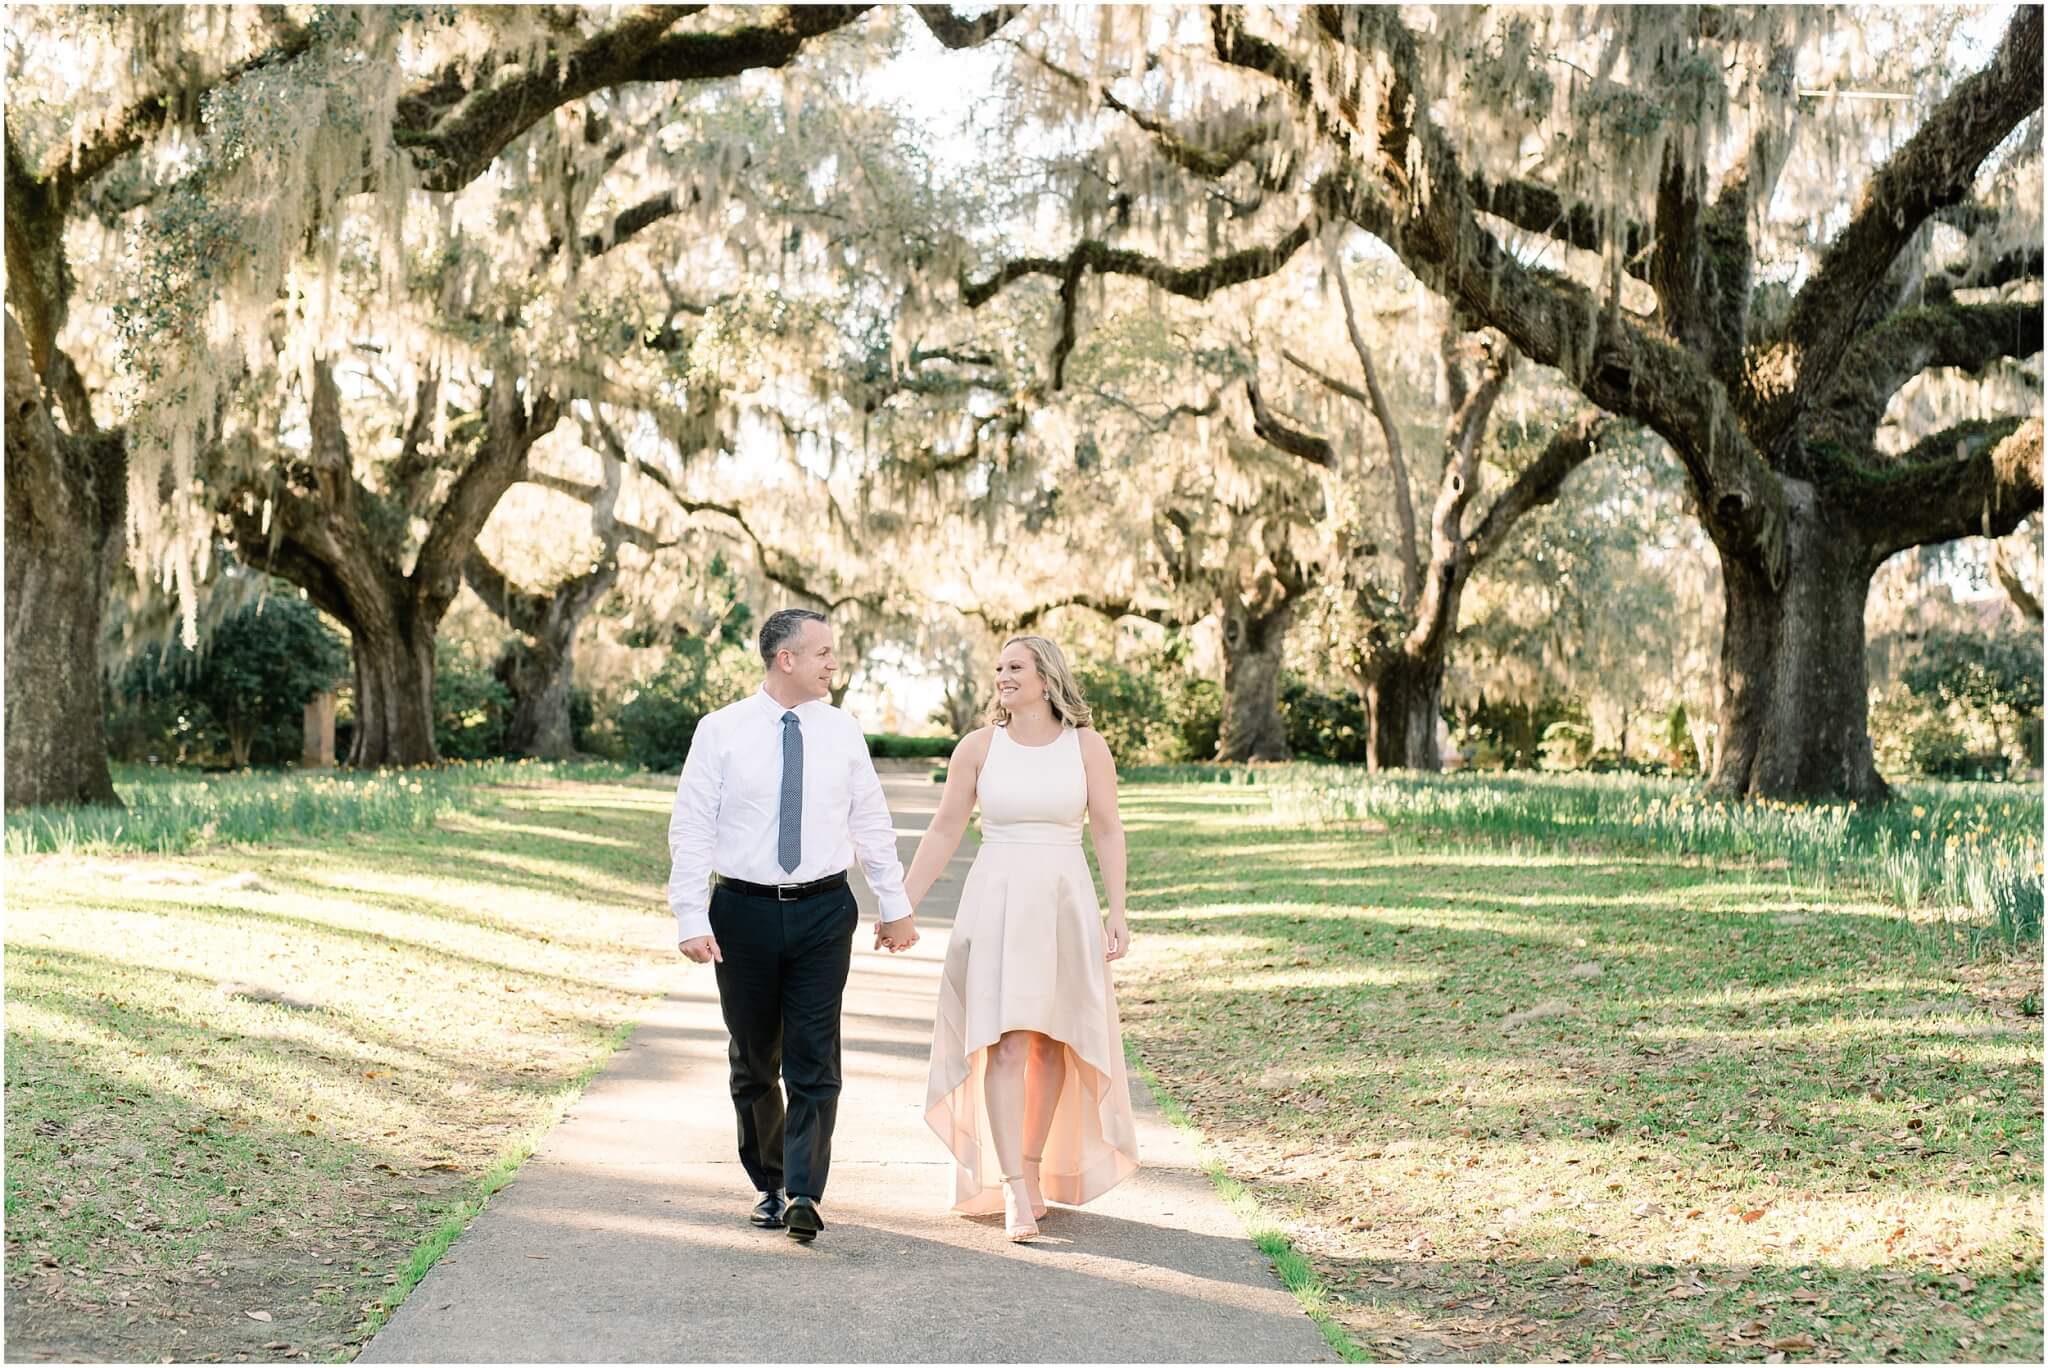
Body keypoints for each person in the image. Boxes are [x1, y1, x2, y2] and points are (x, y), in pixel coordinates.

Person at [668, 608, 919, 1244]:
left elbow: (872, 824)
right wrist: (690, 915)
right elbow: (693, 826)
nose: (834, 663)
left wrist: (895, 903)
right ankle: (771, 1184)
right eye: (824, 653)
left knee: (814, 1053)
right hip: (742, 912)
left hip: (823, 910)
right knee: (755, 1058)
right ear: (788, 659)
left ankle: (806, 1191)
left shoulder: (844, 733)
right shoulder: (720, 731)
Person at [904, 634, 1139, 1241]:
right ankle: (1010, 1187)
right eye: (999, 668)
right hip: (998, 897)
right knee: (1004, 1042)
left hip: (1064, 897)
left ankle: (1032, 1168)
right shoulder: (979, 748)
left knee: (1053, 1043)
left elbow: (1109, 830)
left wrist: (1118, 911)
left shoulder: (1086, 747)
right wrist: (901, 902)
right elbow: (943, 830)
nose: (1003, 677)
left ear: (1046, 677)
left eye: (1015, 667)